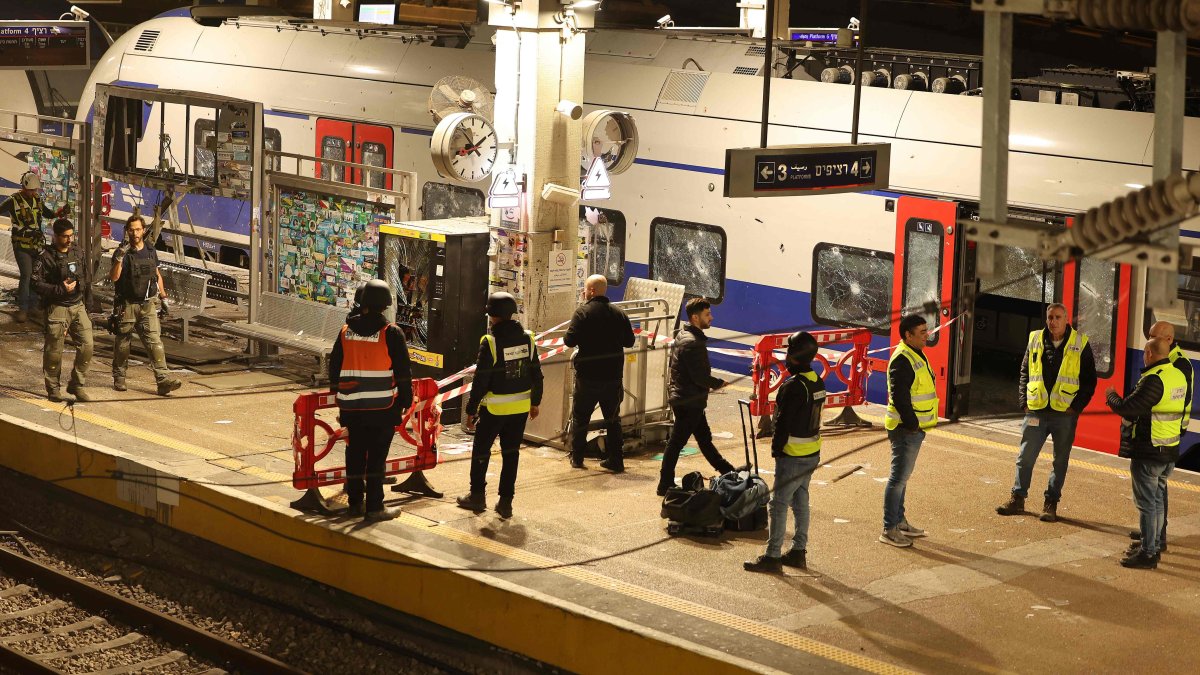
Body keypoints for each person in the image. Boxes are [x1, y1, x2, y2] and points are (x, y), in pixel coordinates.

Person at [996, 303, 1096, 522]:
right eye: (1050, 317)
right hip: (1036, 410)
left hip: (1064, 414)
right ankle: (1017, 498)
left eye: (1058, 317)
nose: (1053, 321)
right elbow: (1025, 372)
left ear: (1067, 319)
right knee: (1025, 458)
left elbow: (1090, 381)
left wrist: (1076, 407)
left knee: (1060, 461)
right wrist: (1024, 401)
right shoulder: (1035, 339)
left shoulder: (1080, 343)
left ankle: (1051, 503)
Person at [328, 279, 413, 522]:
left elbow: (335, 366)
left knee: (355, 453)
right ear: (385, 304)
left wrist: (337, 394)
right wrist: (407, 399)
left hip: (352, 405)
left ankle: (355, 502)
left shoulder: (346, 332)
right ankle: (375, 507)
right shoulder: (391, 333)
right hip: (382, 406)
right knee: (377, 458)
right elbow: (403, 371)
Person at [457, 292, 543, 519]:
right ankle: (506, 503)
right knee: (511, 454)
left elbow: (481, 380)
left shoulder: (490, 342)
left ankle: (477, 497)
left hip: (494, 410)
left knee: (481, 451)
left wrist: (471, 409)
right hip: (520, 409)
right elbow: (537, 374)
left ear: (493, 316)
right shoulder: (528, 338)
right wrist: (535, 402)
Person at [744, 332, 824, 573]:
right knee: (801, 500)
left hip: (792, 454)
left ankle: (773, 556)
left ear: (795, 356)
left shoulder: (792, 387)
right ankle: (799, 551)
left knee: (778, 505)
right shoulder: (817, 381)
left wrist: (776, 449)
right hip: (812, 452)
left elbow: (782, 423)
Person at [1105, 337, 1186, 570]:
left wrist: (1111, 396)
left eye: (1144, 352)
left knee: (1147, 504)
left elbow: (1128, 408)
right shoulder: (1177, 375)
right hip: (1169, 449)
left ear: (1149, 354)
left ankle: (1148, 553)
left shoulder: (1154, 379)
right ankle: (1156, 543)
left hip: (1150, 451)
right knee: (1158, 500)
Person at [657, 298, 738, 497]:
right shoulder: (693, 343)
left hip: (687, 398)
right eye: (707, 315)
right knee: (676, 443)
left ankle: (728, 471)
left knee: (704, 439)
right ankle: (664, 483)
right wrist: (718, 383)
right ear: (695, 317)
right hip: (689, 400)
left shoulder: (685, 336)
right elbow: (699, 376)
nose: (711, 317)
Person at [1126, 321, 1193, 556]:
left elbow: (1179, 401)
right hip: (1165, 437)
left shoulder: (1177, 365)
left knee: (1154, 496)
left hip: (1161, 438)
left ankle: (1154, 540)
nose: (1148, 341)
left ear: (1166, 339)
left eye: (1152, 336)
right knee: (1156, 494)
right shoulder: (1174, 363)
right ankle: (1151, 536)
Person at [564, 274, 635, 471]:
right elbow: (630, 342)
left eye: (585, 289)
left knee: (581, 417)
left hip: (588, 377)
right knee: (613, 420)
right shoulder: (619, 313)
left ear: (592, 291)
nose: (584, 292)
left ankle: (577, 458)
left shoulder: (582, 313)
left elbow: (568, 341)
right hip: (613, 377)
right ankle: (616, 460)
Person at [108, 215, 182, 396]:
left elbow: (156, 275)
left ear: (143, 230)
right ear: (127, 230)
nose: (135, 233)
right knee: (123, 344)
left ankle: (163, 380)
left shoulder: (150, 250)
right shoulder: (123, 252)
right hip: (127, 305)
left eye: (138, 229)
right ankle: (119, 376)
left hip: (147, 304)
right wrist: (119, 258)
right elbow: (114, 277)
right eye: (131, 229)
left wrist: (163, 298)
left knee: (155, 342)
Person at [880, 314, 937, 548]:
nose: (927, 335)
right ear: (908, 335)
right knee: (897, 479)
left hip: (914, 429)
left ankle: (900, 521)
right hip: (906, 430)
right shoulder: (902, 360)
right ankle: (889, 528)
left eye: (926, 330)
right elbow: (900, 397)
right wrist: (912, 424)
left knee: (902, 480)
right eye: (922, 332)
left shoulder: (915, 354)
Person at [32, 218, 92, 403]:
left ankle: (77, 383)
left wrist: (88, 304)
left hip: (77, 305)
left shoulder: (78, 251)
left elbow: (86, 276)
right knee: (54, 351)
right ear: (56, 236)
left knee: (87, 345)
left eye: (71, 235)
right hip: (57, 307)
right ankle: (53, 388)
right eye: (65, 236)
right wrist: (58, 289)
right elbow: (35, 283)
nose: (69, 239)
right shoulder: (45, 257)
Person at [1, 172, 59, 323]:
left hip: (36, 245)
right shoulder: (13, 200)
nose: (33, 193)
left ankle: (33, 307)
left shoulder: (37, 200)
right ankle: (23, 309)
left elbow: (47, 213)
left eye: (35, 190)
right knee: (26, 275)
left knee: (35, 276)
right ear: (24, 187)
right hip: (21, 245)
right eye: (31, 190)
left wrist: (57, 214)